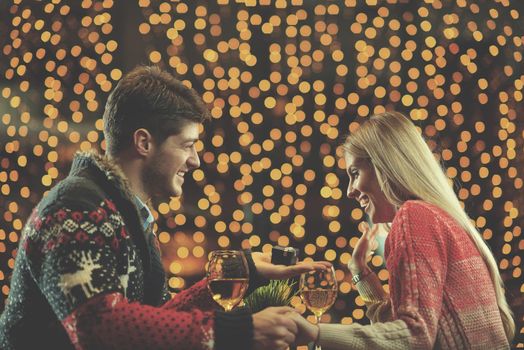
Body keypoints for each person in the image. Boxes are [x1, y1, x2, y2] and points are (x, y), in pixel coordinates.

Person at [0, 66, 328, 350]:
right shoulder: (74, 209)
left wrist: (241, 271)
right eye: (187, 146)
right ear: (144, 143)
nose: (195, 161)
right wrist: (240, 331)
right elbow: (98, 327)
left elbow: (154, 324)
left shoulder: (126, 214)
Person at [288, 112, 514, 349]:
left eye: (355, 174)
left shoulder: (414, 215)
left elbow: (414, 337)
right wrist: (360, 273)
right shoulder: (438, 217)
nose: (350, 191)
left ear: (385, 164)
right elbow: (404, 328)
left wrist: (316, 333)